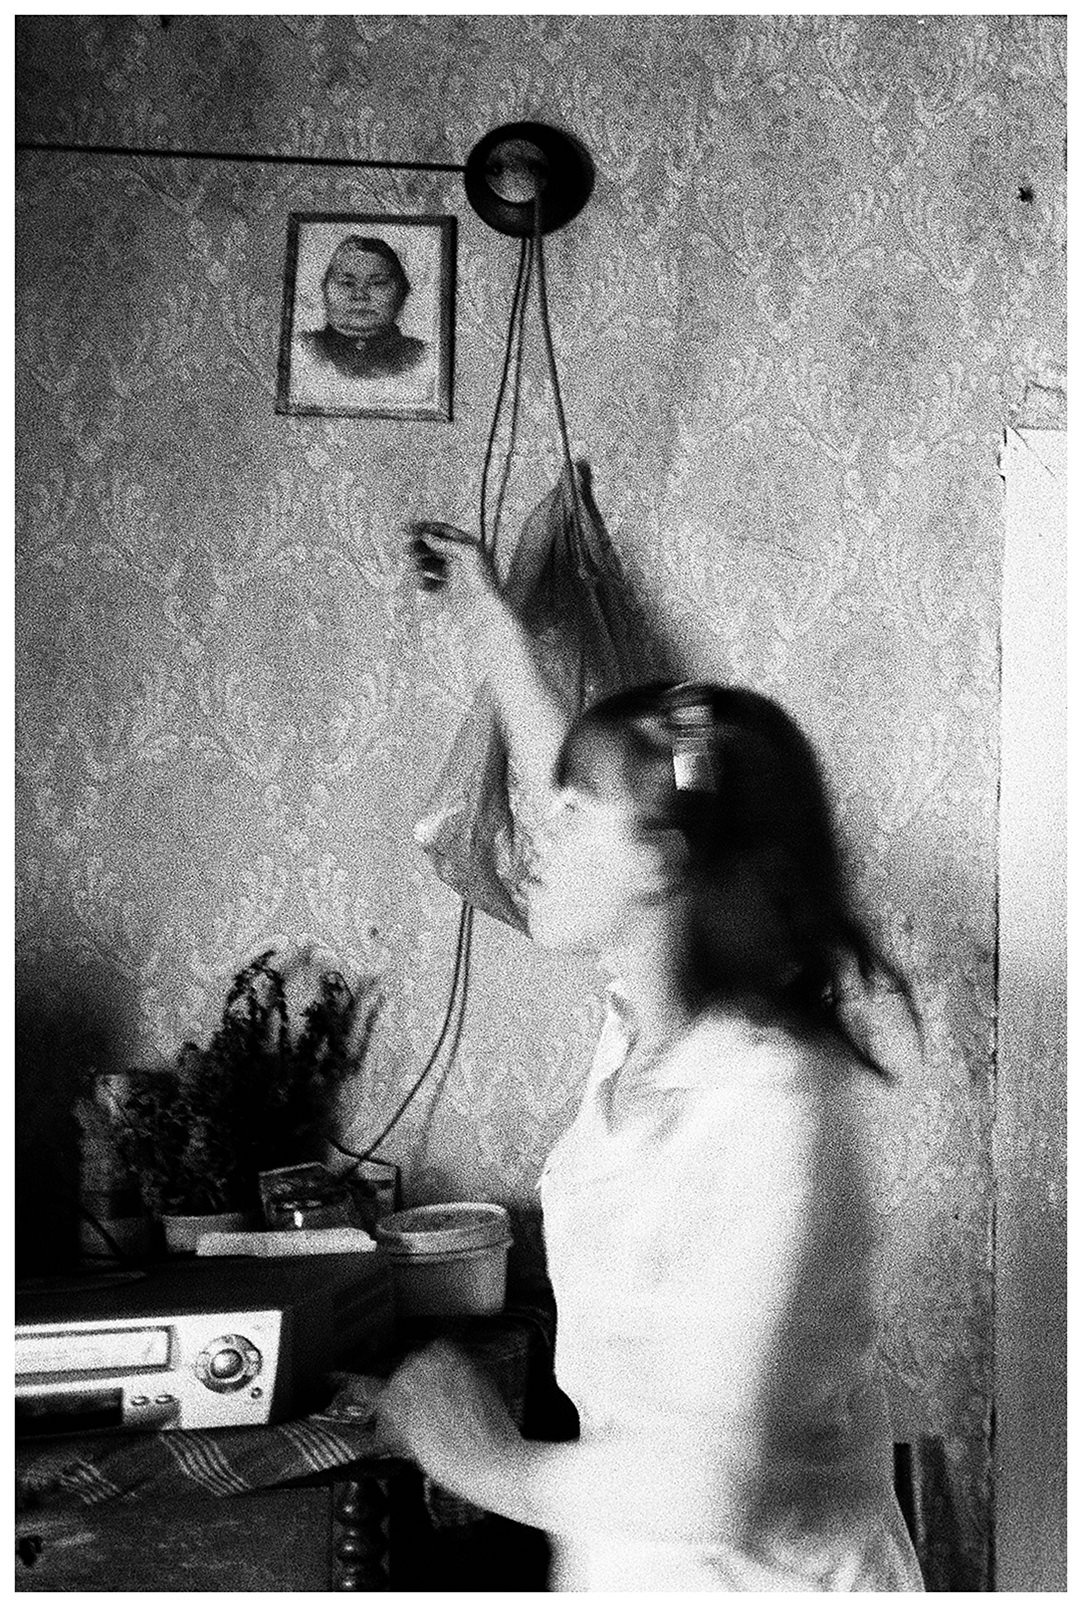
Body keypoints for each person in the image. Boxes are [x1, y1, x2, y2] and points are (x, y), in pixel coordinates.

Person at [380, 521, 925, 1592]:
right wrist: (490, 623)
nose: (535, 828)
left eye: (572, 814)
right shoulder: (645, 1023)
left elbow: (699, 1487)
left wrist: (475, 1454)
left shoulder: (766, 1101)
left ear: (659, 864)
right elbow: (572, 787)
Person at [298, 235, 425, 381]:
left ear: (402, 291)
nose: (360, 295)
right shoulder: (302, 349)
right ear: (324, 289)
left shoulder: (421, 356)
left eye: (378, 283)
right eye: (347, 283)